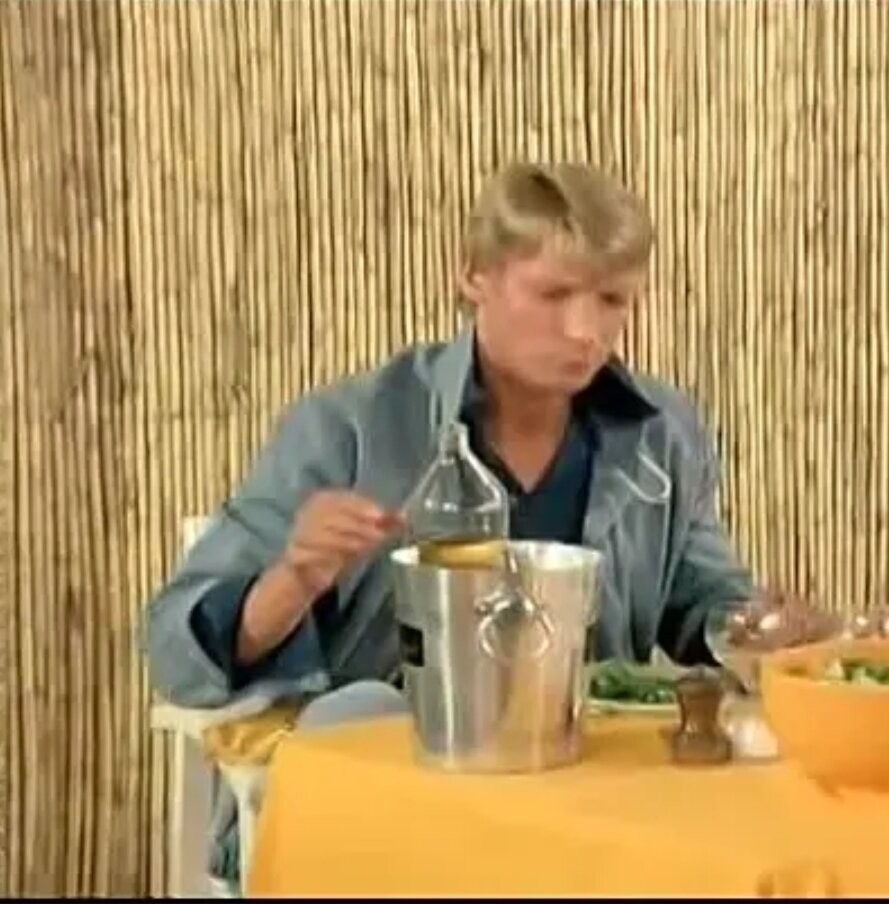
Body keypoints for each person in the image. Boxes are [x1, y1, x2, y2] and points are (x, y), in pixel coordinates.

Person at [144, 161, 762, 889]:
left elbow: (705, 605)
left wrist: (766, 631)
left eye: (612, 300)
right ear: (474, 275)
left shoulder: (661, 434)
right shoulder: (351, 428)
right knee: (364, 709)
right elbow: (173, 651)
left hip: (588, 796)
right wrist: (294, 578)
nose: (585, 331)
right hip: (382, 806)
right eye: (553, 294)